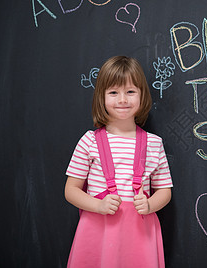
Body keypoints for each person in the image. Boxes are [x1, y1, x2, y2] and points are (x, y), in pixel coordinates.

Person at [65, 56, 173, 267]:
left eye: (130, 92)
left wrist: (150, 204)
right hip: (98, 233)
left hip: (140, 236)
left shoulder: (154, 143)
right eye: (113, 92)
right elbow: (71, 190)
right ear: (101, 97)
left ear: (142, 95)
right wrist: (98, 205)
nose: (122, 99)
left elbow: (165, 191)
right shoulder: (89, 142)